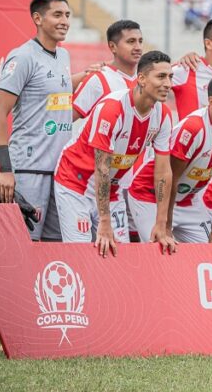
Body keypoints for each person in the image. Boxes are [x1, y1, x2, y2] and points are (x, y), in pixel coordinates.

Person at [53, 51, 175, 256]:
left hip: (112, 190)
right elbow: (101, 167)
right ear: (142, 79)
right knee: (81, 255)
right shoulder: (112, 108)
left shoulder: (163, 115)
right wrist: (104, 221)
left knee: (118, 257)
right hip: (76, 183)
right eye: (161, 77)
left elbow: (163, 172)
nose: (168, 83)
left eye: (170, 77)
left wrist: (161, 223)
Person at [0, 0, 72, 242]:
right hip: (28, 169)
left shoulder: (64, 55)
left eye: (67, 15)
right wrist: (5, 170)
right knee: (24, 247)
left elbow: (54, 90)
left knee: (56, 248)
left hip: (60, 172)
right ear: (37, 18)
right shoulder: (23, 56)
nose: (65, 21)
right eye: (57, 14)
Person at [130, 75, 212, 243]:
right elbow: (171, 178)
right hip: (151, 196)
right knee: (162, 250)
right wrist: (166, 225)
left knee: (206, 257)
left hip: (188, 200)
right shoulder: (193, 128)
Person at [72, 20, 143, 121]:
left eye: (140, 41)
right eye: (131, 41)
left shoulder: (145, 79)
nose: (138, 47)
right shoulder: (98, 79)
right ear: (113, 47)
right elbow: (65, 122)